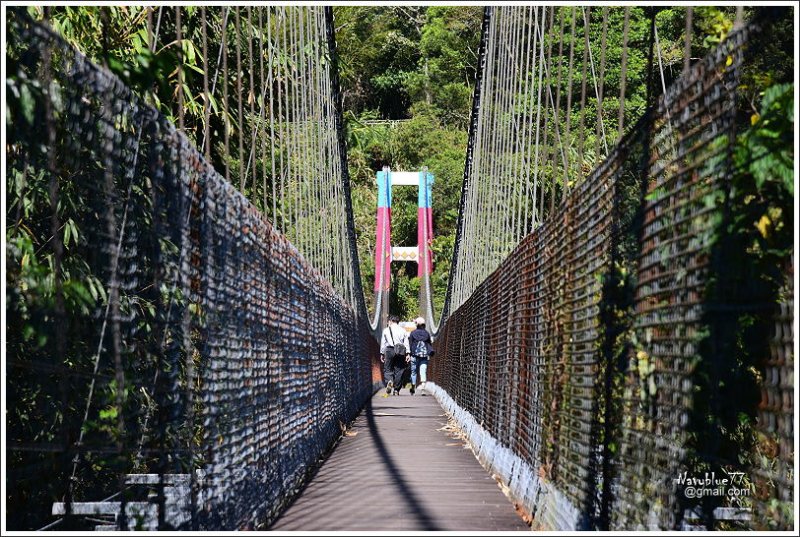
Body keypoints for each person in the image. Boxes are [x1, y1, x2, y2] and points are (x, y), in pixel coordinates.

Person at [380, 314, 409, 396]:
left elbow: (383, 343)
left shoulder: (386, 330)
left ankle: (390, 381)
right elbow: (406, 343)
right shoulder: (403, 330)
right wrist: (408, 354)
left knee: (388, 369)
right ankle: (396, 390)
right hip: (400, 351)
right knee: (399, 370)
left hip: (389, 350)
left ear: (390, 321)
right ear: (398, 322)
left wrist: (382, 353)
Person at [407, 316, 434, 395]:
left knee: (413, 372)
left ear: (417, 324)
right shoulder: (427, 333)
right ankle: (423, 388)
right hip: (424, 355)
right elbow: (429, 343)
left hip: (414, 355)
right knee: (423, 371)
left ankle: (413, 388)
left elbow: (410, 344)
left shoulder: (413, 333)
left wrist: (408, 354)